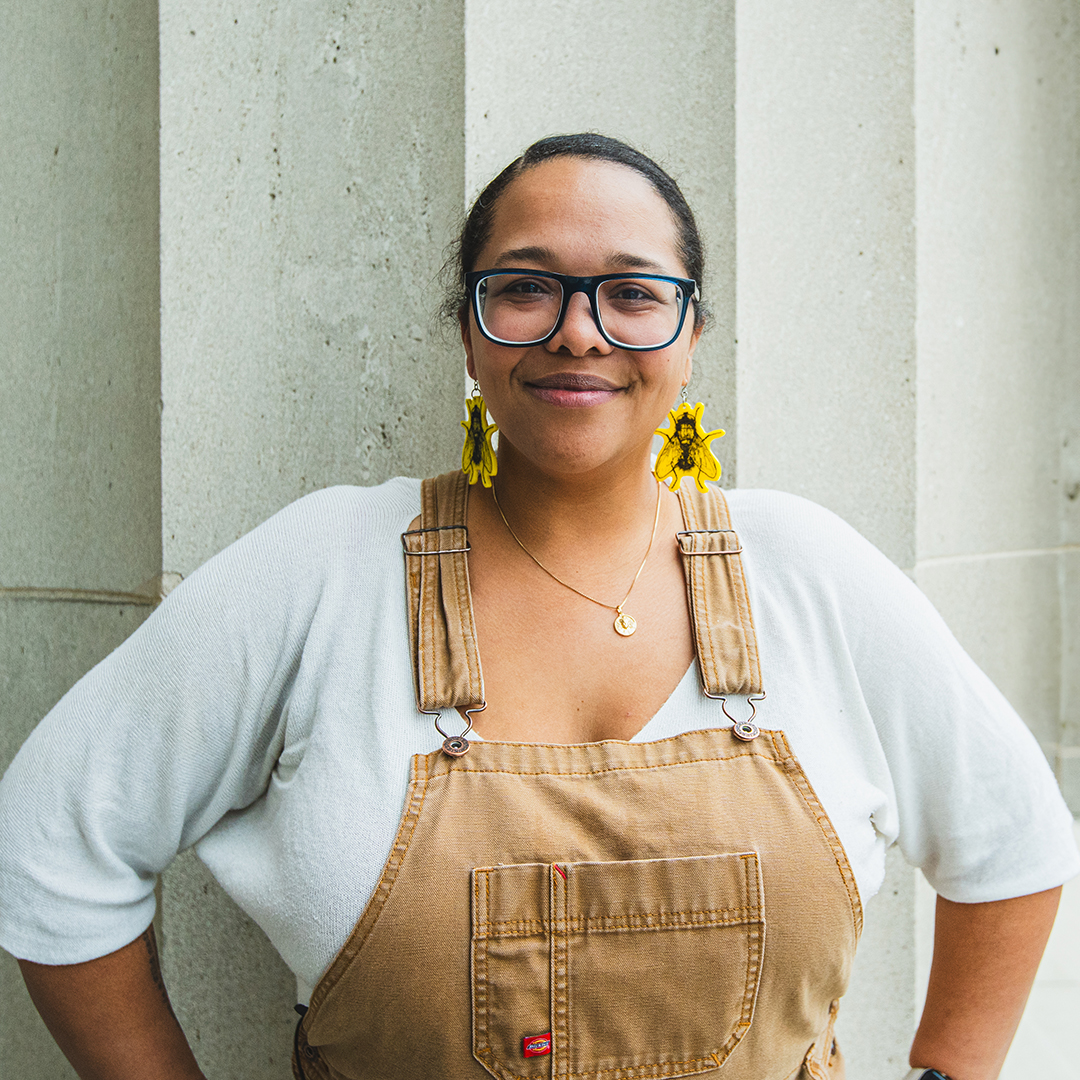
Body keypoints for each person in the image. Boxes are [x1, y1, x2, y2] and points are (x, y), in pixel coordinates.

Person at [0, 133, 1076, 1080]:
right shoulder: (327, 571)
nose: (578, 332)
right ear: (468, 334)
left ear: (691, 338)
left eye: (633, 292)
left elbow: (1013, 843)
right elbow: (54, 842)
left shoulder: (805, 570)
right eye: (525, 287)